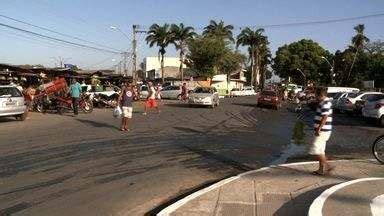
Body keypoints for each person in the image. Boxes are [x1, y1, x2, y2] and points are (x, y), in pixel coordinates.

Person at [308, 87, 334, 175]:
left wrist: (319, 128)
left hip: (322, 131)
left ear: (320, 95)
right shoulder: (324, 102)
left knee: (316, 149)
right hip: (323, 130)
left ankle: (328, 166)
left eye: (316, 94)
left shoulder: (325, 102)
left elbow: (325, 117)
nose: (315, 96)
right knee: (321, 150)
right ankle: (321, 170)